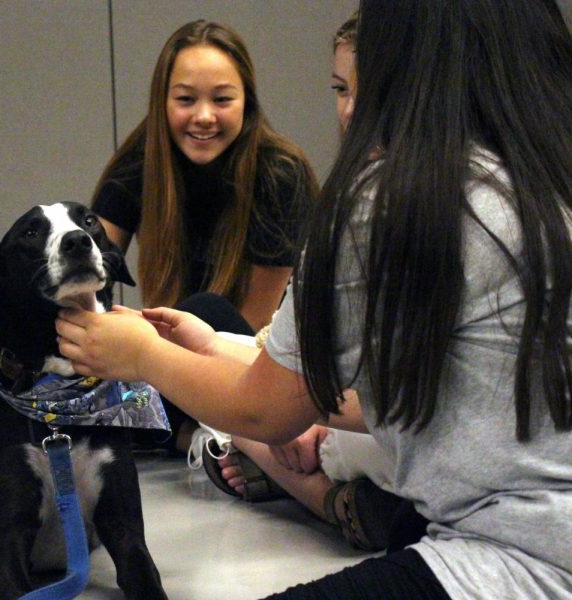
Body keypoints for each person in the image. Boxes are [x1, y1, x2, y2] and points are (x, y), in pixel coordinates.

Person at [57, 0, 572, 597]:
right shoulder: (539, 181)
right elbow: (385, 387)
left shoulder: (389, 201)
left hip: (522, 555)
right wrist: (219, 349)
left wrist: (141, 355)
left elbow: (270, 409)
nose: (350, 106)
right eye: (338, 88)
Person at [195, 11, 422, 554]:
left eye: (221, 99)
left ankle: (294, 478)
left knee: (236, 410)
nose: (348, 111)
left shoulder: (352, 198)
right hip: (336, 394)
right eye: (340, 90)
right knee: (207, 331)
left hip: (386, 431)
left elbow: (393, 398)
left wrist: (303, 410)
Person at [90, 19, 317, 451]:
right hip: (172, 361)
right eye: (186, 100)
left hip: (252, 365)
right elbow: (89, 273)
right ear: (163, 102)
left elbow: (251, 336)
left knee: (204, 310)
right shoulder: (140, 162)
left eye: (222, 99)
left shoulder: (279, 173)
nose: (204, 116)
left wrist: (152, 360)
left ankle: (185, 433)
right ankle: (182, 435)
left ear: (247, 102)